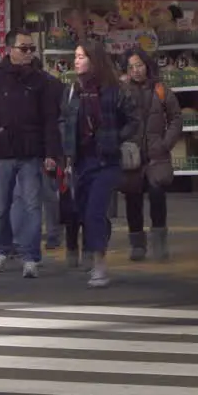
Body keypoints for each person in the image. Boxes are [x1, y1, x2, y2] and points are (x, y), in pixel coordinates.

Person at [0, 29, 62, 277]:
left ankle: (31, 257)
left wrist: (51, 152)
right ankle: (3, 250)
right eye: (23, 48)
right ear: (9, 49)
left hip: (31, 152)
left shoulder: (41, 81)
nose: (28, 53)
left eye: (31, 49)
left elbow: (50, 118)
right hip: (2, 152)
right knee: (1, 207)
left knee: (32, 205)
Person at [59, 38, 140, 286]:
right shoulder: (72, 90)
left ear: (94, 60)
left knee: (94, 211)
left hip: (107, 160)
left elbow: (133, 120)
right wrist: (67, 147)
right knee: (85, 211)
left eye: (81, 56)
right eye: (76, 56)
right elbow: (63, 120)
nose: (76, 61)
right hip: (81, 161)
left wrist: (116, 139)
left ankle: (99, 264)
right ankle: (97, 246)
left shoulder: (114, 90)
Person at [119, 46, 182, 261]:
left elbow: (176, 118)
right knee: (132, 199)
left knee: (157, 195)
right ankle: (137, 244)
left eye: (139, 65)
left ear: (147, 66)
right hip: (131, 155)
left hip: (157, 154)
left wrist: (165, 143)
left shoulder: (161, 89)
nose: (136, 70)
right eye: (131, 67)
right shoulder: (121, 90)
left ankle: (159, 242)